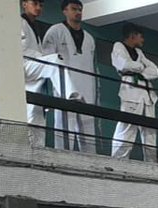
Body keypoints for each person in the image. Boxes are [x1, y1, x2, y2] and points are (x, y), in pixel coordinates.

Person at [21, 0, 79, 148]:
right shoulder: (19, 23)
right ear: (24, 4)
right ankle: (68, 94)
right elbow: (20, 49)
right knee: (55, 59)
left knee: (36, 113)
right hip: (23, 65)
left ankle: (37, 150)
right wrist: (40, 57)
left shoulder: (35, 27)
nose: (39, 8)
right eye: (35, 4)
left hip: (34, 70)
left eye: (41, 5)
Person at [44, 0, 96, 153]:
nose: (78, 12)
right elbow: (47, 59)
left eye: (80, 9)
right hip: (65, 87)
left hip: (87, 87)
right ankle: (61, 160)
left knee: (88, 133)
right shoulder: (55, 31)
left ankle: (92, 164)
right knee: (64, 130)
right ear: (64, 11)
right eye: (74, 9)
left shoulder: (89, 39)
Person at [110, 23, 158, 161]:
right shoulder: (118, 46)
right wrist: (141, 67)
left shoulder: (139, 53)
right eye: (140, 36)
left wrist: (139, 70)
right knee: (127, 127)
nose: (142, 39)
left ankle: (151, 163)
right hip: (130, 92)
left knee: (149, 131)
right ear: (133, 35)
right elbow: (123, 65)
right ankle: (118, 160)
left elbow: (154, 70)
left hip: (146, 95)